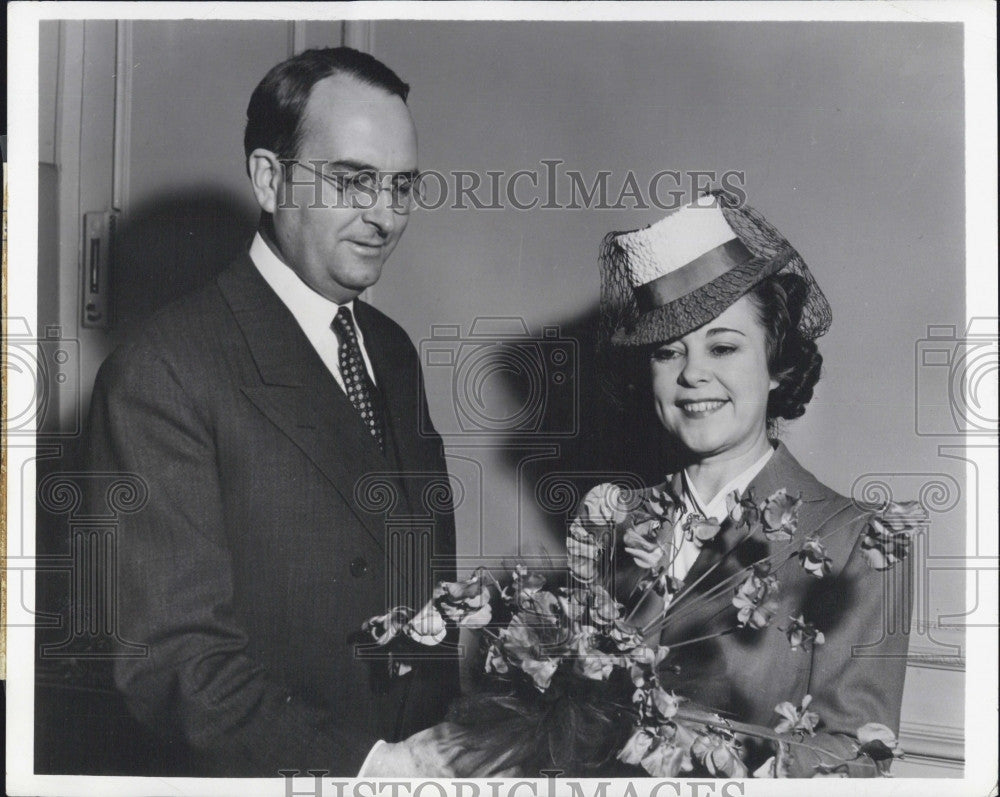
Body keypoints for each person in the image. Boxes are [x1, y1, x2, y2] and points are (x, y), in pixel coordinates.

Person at [84, 47, 459, 777]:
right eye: (354, 181)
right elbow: (174, 667)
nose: (385, 216)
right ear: (268, 176)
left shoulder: (391, 349)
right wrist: (371, 768)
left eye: (402, 186)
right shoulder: (163, 371)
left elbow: (421, 584)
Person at [578, 189, 913, 777]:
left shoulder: (858, 541)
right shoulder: (613, 522)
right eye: (667, 353)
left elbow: (858, 755)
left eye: (724, 346)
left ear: (778, 363)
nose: (692, 374)